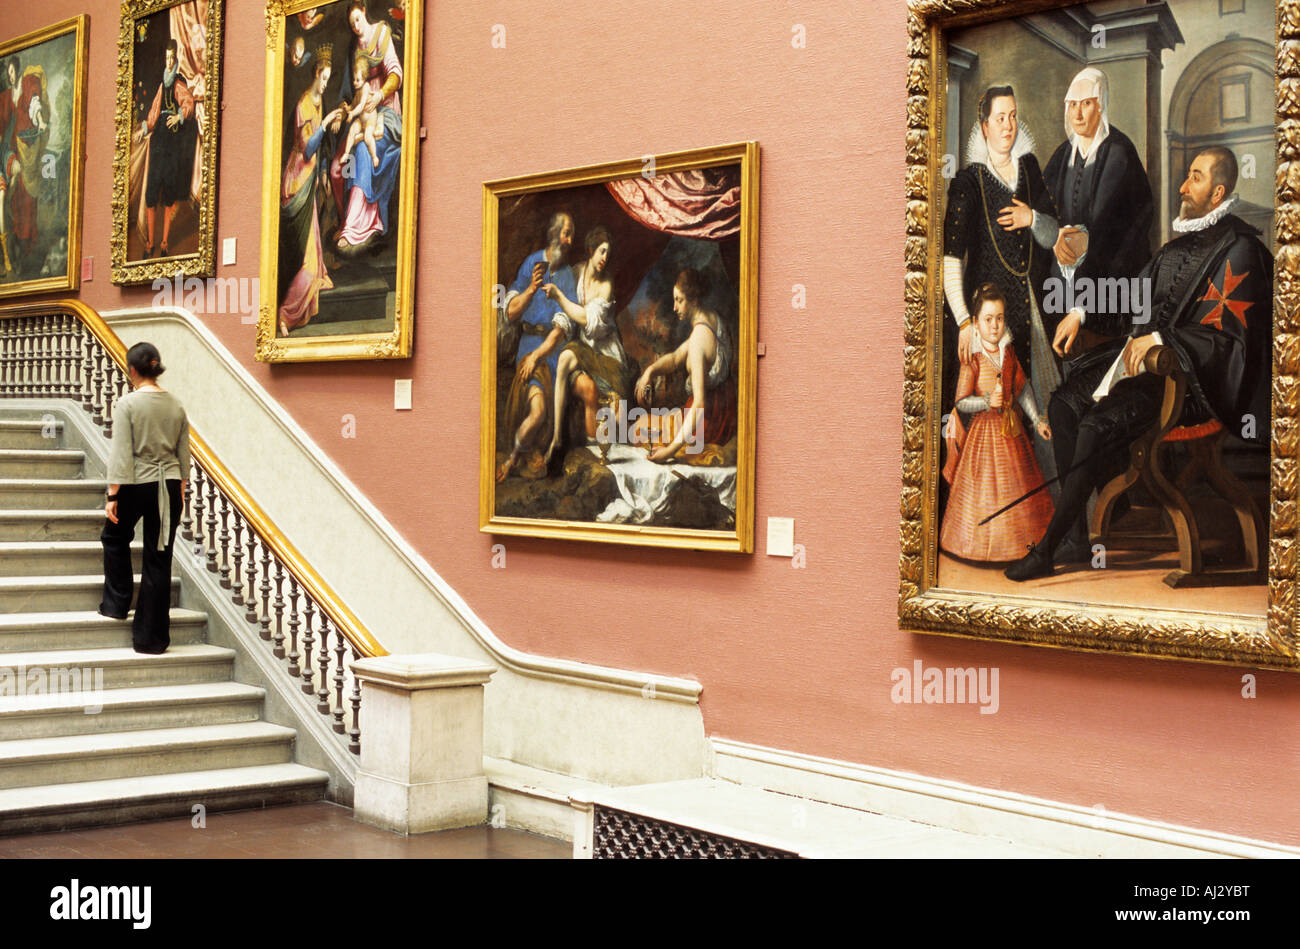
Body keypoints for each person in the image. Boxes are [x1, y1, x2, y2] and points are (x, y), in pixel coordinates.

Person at [1005, 146, 1273, 581]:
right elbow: (1134, 293)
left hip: (1187, 384)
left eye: (1196, 178)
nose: (1184, 187)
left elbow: (1232, 345)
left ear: (1219, 191)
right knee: (1064, 404)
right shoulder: (1179, 245)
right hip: (1140, 366)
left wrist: (1164, 338)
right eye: (1187, 176)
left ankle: (1047, 551)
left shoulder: (1239, 252)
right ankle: (1074, 538)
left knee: (1095, 425)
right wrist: (1082, 311)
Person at [942, 85, 1061, 481]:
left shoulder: (1028, 169)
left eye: (1013, 116)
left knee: (1035, 402)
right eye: (999, 118)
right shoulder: (968, 181)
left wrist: (1033, 219)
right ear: (984, 126)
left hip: (1030, 310)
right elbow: (951, 260)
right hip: (987, 318)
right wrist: (963, 321)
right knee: (989, 410)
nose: (1008, 125)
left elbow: (1054, 234)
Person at [940, 283, 1053, 561]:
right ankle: (982, 549)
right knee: (986, 493)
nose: (994, 326)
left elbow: (1023, 388)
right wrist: (986, 401)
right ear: (976, 323)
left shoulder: (1009, 352)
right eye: (988, 320)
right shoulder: (973, 360)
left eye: (999, 318)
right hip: (983, 434)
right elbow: (961, 401)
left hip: (1012, 431)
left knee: (1019, 488)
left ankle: (1020, 548)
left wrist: (1037, 420)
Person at [100, 343, 191, 655]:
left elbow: (121, 452)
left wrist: (113, 494)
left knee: (114, 536)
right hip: (168, 486)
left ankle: (116, 602)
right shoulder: (176, 405)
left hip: (137, 483)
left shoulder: (127, 404)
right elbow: (183, 452)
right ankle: (151, 640)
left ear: (133, 370)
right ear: (157, 368)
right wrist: (180, 488)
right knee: (158, 556)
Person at [1040, 68, 1153, 308]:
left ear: (1100, 105)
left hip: (1110, 276)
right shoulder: (1062, 154)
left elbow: (1131, 220)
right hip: (1062, 273)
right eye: (1072, 105)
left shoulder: (1120, 152)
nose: (1078, 114)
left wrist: (1086, 242)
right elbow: (1041, 205)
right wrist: (1055, 236)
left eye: (1086, 104)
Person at [542, 225, 636, 464]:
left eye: (608, 253)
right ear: (591, 250)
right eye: (602, 251)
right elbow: (565, 314)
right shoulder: (576, 273)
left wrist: (560, 297)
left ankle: (598, 450)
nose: (605, 258)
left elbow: (587, 320)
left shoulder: (606, 286)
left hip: (606, 355)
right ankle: (555, 437)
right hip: (584, 346)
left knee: (613, 408)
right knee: (563, 359)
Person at [496, 212, 579, 481]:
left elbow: (560, 330)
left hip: (551, 352)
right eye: (566, 233)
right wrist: (531, 288)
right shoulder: (532, 262)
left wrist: (537, 356)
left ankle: (526, 453)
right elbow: (510, 313)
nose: (569, 240)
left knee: (544, 415)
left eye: (571, 235)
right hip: (528, 343)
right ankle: (512, 460)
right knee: (538, 411)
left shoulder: (566, 276)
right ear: (554, 235)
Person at [633, 268, 736, 463]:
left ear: (694, 300)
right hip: (723, 414)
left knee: (639, 428)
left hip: (708, 423)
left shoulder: (699, 339)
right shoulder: (711, 319)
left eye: (679, 300)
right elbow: (676, 357)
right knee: (646, 423)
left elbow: (699, 404)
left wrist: (670, 451)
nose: (674, 307)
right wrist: (650, 371)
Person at [278, 52, 346, 336]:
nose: (327, 84)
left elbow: (320, 150)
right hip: (297, 180)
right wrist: (328, 117)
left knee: (312, 253)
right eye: (325, 78)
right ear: (316, 74)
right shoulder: (305, 103)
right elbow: (307, 148)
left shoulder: (319, 101)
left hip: (310, 177)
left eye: (330, 79)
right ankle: (285, 314)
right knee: (305, 257)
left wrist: (321, 175)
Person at [329, 0, 403, 255]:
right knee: (338, 167)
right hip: (362, 114)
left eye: (358, 20)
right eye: (352, 24)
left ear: (364, 14)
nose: (356, 27)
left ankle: (360, 227)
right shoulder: (354, 47)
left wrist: (379, 94)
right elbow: (347, 92)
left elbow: (395, 74)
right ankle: (347, 219)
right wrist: (342, 110)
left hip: (386, 113)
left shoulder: (381, 34)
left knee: (361, 151)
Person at [139, 41, 197, 259]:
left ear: (176, 59)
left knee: (169, 190)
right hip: (158, 141)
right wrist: (144, 128)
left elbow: (189, 103)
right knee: (152, 190)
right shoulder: (162, 85)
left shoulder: (178, 83)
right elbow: (154, 112)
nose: (169, 61)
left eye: (172, 58)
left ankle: (164, 243)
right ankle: (150, 243)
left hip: (172, 141)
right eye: (166, 58)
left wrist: (179, 116)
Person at [0, 53, 49, 277]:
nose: (10, 76)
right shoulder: (7, 95)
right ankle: (19, 244)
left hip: (29, 147)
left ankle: (28, 247)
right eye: (7, 73)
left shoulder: (28, 82)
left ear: (17, 71)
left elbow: (34, 103)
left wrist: (39, 120)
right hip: (15, 151)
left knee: (29, 198)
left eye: (12, 72)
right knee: (16, 197)